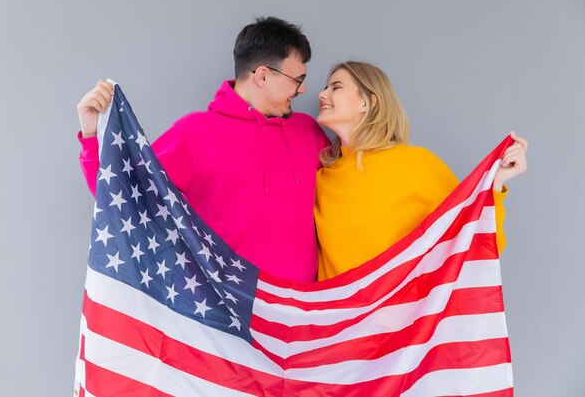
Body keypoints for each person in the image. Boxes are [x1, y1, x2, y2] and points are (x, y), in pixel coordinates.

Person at [76, 17, 330, 282]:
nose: (303, 90)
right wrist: (92, 136)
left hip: (302, 308)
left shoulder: (308, 131)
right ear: (263, 76)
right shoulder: (195, 133)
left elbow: (348, 187)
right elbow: (123, 195)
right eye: (297, 79)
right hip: (230, 309)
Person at [314, 61, 527, 280]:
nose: (321, 94)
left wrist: (495, 182)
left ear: (367, 102)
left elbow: (475, 239)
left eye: (335, 87)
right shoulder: (322, 176)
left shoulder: (416, 164)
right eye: (326, 87)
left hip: (397, 312)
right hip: (339, 312)